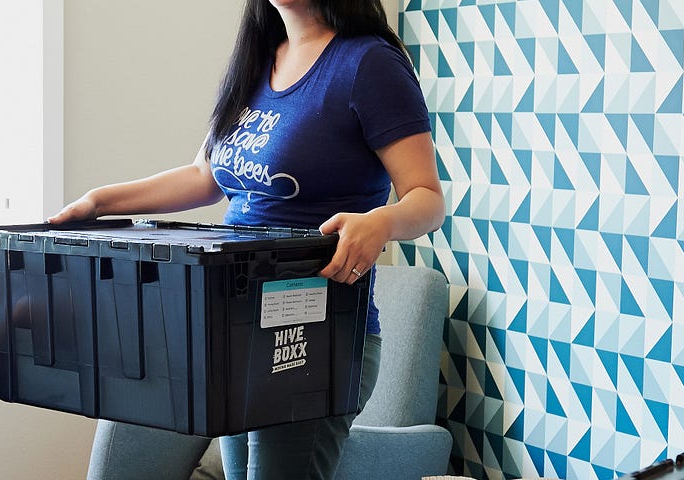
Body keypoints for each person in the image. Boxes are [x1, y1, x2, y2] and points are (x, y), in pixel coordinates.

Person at [46, 0, 442, 478]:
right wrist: (99, 201)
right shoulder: (257, 59)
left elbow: (426, 199)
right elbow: (203, 176)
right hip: (233, 330)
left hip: (317, 332)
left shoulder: (369, 62)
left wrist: (380, 222)